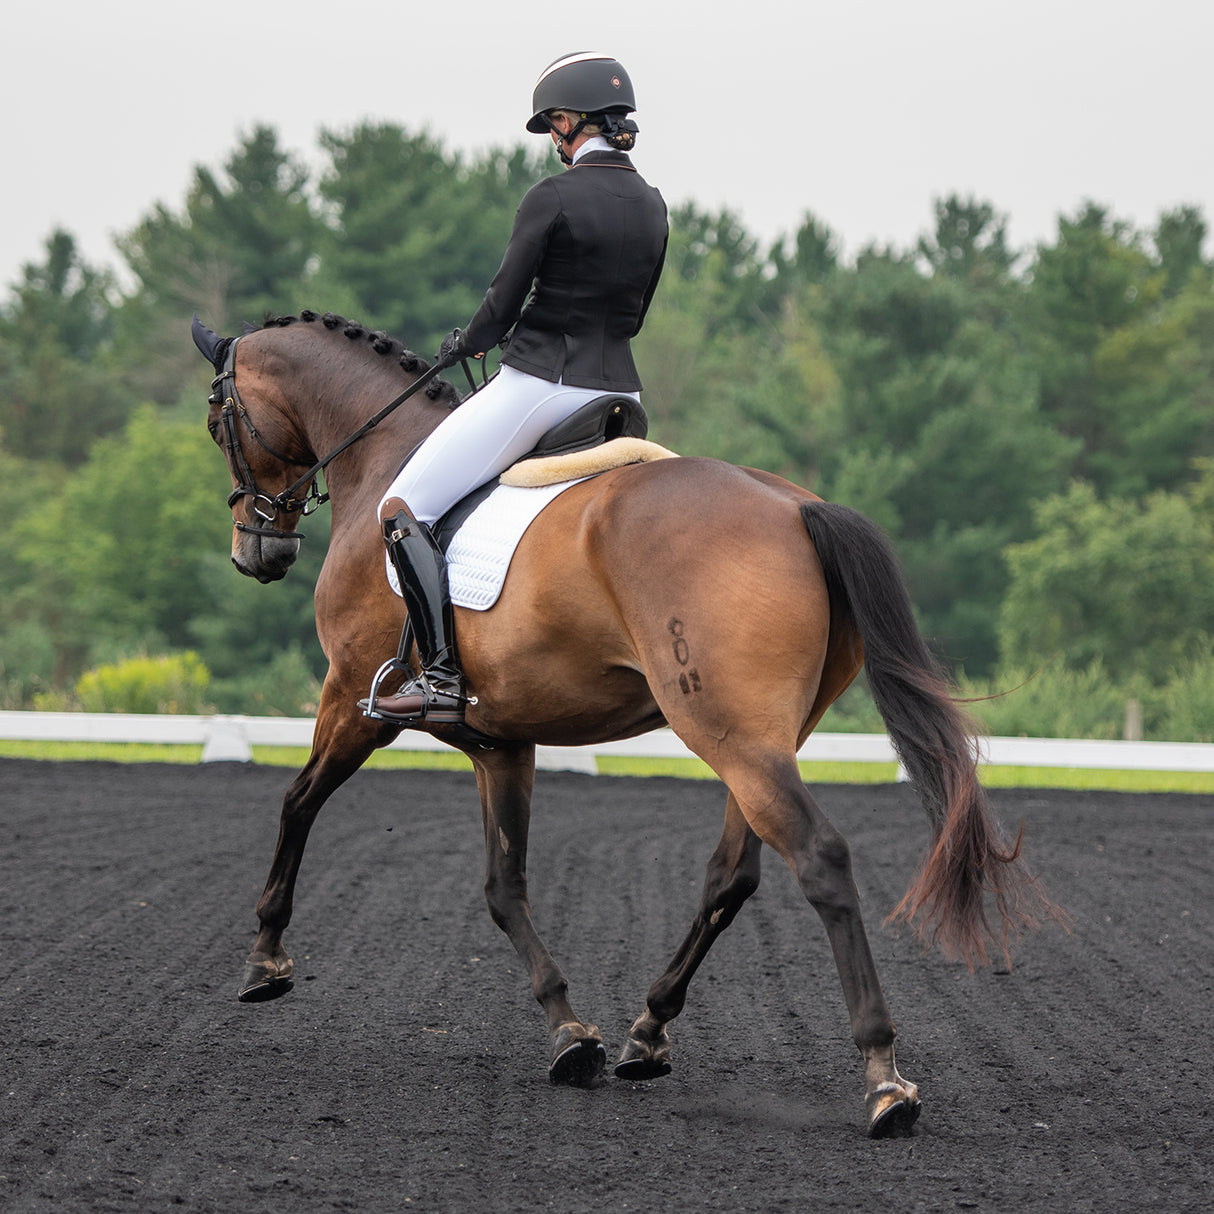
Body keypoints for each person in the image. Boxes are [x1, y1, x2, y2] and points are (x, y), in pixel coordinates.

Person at [363, 51, 669, 726]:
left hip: (541, 385)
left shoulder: (552, 197)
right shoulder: (652, 204)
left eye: (553, 126)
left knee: (400, 506)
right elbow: (635, 314)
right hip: (622, 395)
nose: (553, 140)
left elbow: (503, 303)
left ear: (566, 122)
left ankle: (442, 677)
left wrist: (466, 343)